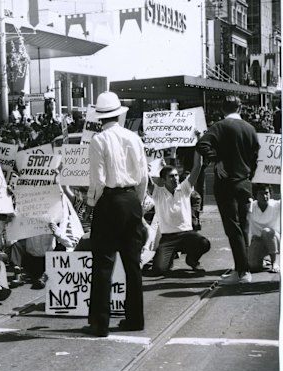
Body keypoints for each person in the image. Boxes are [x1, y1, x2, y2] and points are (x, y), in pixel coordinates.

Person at [83, 91, 148, 337]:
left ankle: (100, 323)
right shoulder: (134, 138)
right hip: (131, 200)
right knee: (133, 264)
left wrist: (91, 205)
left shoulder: (98, 141)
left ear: (100, 118)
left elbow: (98, 182)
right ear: (119, 115)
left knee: (103, 265)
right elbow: (143, 177)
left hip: (109, 201)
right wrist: (137, 204)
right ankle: (135, 318)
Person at [196, 96, 260, 285]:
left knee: (233, 229)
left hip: (226, 184)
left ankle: (242, 271)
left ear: (223, 109)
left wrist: (216, 160)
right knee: (244, 227)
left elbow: (202, 145)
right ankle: (244, 268)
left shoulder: (220, 126)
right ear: (240, 108)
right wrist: (249, 175)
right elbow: (255, 156)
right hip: (245, 183)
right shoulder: (250, 129)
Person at [148, 151, 211, 274]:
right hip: (168, 238)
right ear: (163, 180)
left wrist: (198, 147)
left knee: (204, 243)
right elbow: (145, 178)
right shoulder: (158, 193)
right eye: (171, 176)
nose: (175, 178)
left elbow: (197, 166)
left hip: (186, 235)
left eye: (176, 175)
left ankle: (192, 260)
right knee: (159, 269)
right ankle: (169, 258)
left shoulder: (184, 188)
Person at [247, 184, 280, 273]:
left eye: (266, 193)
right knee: (253, 266)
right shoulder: (251, 206)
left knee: (266, 231)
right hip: (258, 240)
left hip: (275, 239)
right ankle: (263, 260)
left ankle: (275, 262)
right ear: (255, 195)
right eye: (261, 194)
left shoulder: (277, 204)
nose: (265, 196)